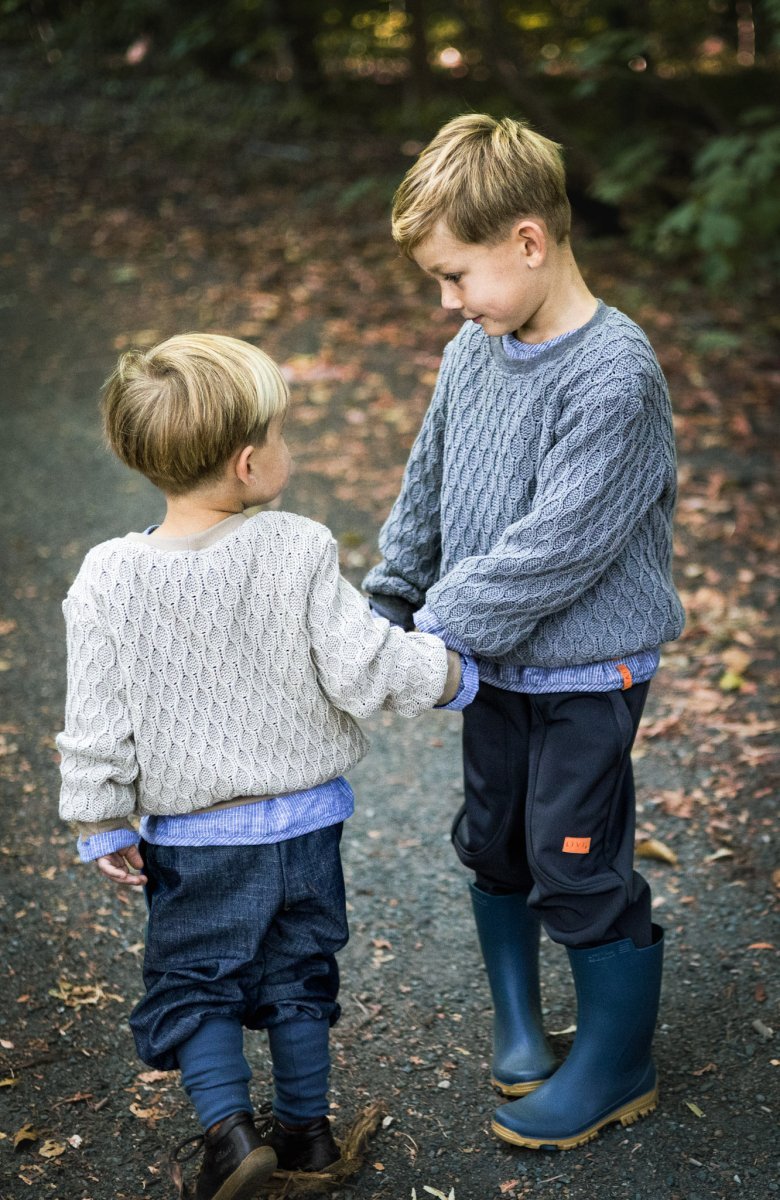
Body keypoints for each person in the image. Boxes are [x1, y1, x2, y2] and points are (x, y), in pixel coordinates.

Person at [57, 333, 474, 1200]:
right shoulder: (297, 548)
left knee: (194, 978)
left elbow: (96, 720)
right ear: (248, 463)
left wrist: (99, 817)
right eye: (282, 435)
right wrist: (448, 672)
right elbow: (364, 664)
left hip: (200, 839)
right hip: (308, 827)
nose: (290, 450)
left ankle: (227, 1134)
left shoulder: (108, 578)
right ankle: (308, 1134)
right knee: (298, 971)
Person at [363, 114, 686, 1152]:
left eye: (457, 276)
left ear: (531, 242)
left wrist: (433, 638)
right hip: (489, 665)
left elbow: (559, 549)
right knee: (494, 837)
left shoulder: (615, 376)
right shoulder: (477, 347)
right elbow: (429, 485)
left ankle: (616, 1060)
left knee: (574, 858)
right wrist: (388, 600)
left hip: (588, 670)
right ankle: (519, 1018)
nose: (447, 303)